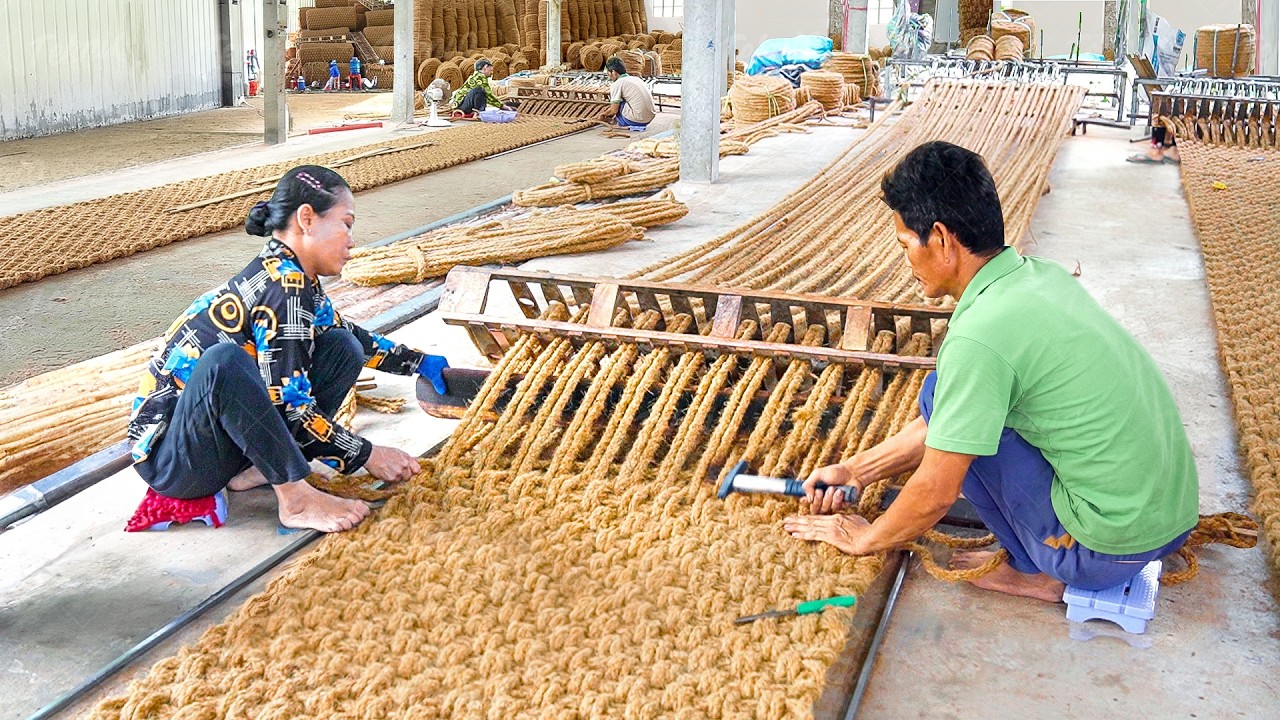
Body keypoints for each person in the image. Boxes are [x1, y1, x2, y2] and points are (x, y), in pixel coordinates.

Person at [784, 141, 1198, 602]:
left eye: (906, 245)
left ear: (940, 239)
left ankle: (1036, 571)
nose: (906, 262)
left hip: (1100, 551)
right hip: (1169, 519)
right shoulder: (1038, 277)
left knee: (952, 401)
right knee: (949, 395)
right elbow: (955, 418)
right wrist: (856, 471)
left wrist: (867, 537)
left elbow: (936, 492)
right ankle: (1055, 548)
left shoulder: (979, 338)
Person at [127, 165, 450, 534]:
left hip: (221, 443)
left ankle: (257, 470)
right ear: (307, 219)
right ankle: (295, 499)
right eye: (346, 224)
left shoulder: (297, 280)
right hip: (176, 462)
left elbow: (354, 337)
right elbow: (291, 407)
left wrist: (420, 363)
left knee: (341, 346)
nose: (351, 240)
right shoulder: (283, 286)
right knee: (224, 363)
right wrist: (366, 454)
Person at [599, 56, 655, 130]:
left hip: (637, 120)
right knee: (624, 98)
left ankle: (624, 123)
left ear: (613, 72)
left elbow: (614, 110)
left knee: (617, 103)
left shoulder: (617, 84)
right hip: (649, 118)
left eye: (608, 73)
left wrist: (603, 115)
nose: (609, 76)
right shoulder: (636, 79)